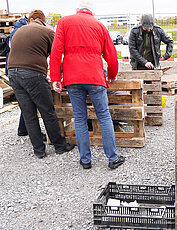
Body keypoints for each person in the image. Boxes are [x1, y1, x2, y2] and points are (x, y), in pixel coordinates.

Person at [49, 0, 125, 170]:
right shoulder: (99, 26)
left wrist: (56, 77)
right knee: (104, 116)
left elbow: (56, 51)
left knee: (80, 118)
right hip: (95, 77)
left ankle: (85, 160)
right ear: (92, 12)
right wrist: (111, 74)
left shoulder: (64, 22)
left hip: (72, 78)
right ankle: (112, 158)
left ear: (78, 10)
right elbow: (111, 54)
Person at [7, 10, 75, 159]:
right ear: (43, 21)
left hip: (12, 73)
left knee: (28, 113)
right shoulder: (47, 31)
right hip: (33, 74)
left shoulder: (19, 30)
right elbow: (57, 56)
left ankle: (39, 150)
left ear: (31, 20)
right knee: (47, 111)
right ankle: (60, 146)